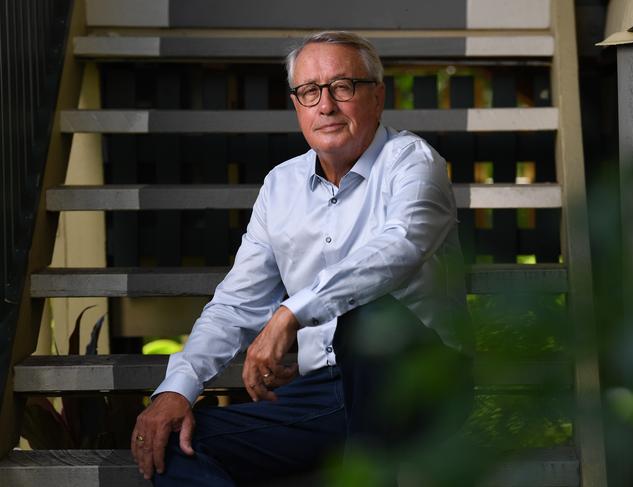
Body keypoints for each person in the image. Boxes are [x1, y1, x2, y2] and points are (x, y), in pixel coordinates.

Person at [131, 31, 474, 486]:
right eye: (310, 91)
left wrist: (290, 313)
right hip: (323, 398)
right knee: (173, 442)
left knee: (366, 315)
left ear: (377, 96)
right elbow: (236, 303)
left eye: (343, 87)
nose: (326, 105)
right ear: (297, 104)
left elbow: (399, 249)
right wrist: (177, 389)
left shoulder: (413, 162)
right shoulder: (281, 186)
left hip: (419, 385)